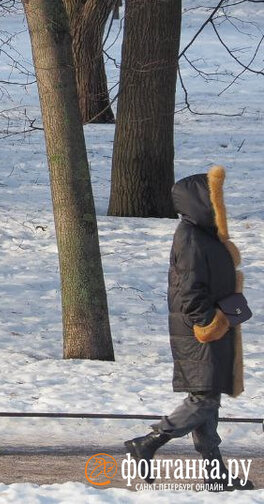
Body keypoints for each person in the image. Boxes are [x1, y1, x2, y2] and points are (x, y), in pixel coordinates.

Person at [125, 166, 254, 491]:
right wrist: (208, 323)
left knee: (207, 404)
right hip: (200, 333)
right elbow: (190, 291)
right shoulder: (190, 237)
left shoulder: (205, 236)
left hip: (212, 330)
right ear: (200, 201)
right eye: (214, 197)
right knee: (204, 401)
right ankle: (148, 442)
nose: (219, 204)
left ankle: (216, 475)